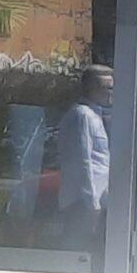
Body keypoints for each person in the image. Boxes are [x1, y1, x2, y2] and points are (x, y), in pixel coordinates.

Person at [55, 64, 112, 252]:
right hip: (83, 202)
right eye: (107, 88)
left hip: (97, 200)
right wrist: (91, 202)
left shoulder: (96, 115)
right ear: (92, 88)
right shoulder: (82, 116)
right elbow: (82, 161)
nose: (111, 93)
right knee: (76, 250)